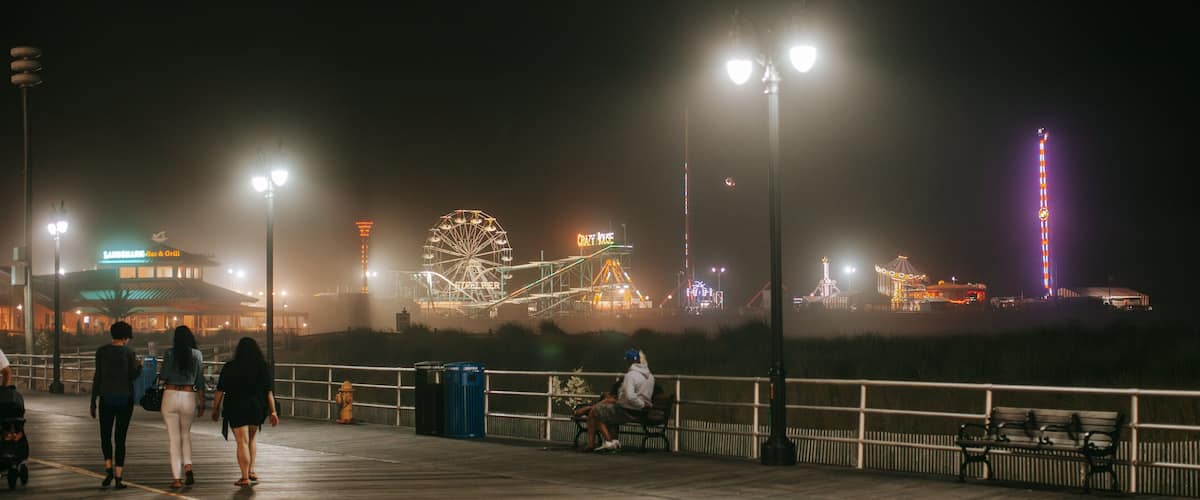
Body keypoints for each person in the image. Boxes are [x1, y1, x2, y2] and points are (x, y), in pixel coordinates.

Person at [211, 337, 278, 487]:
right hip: (256, 407)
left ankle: (244, 477)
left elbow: (220, 390)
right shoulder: (262, 366)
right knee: (252, 439)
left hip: (236, 406)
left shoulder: (230, 366)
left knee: (242, 442)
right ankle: (251, 470)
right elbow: (268, 392)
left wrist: (215, 409)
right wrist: (273, 412)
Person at [90, 321, 142, 489]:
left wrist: (93, 401)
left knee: (105, 436)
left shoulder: (101, 351)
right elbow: (132, 376)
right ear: (126, 337)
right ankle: (119, 477)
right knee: (120, 438)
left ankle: (108, 469)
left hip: (106, 397)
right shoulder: (129, 352)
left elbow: (97, 377)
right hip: (124, 399)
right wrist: (139, 367)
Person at [160, 326, 206, 489]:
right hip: (188, 396)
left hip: (170, 395)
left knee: (174, 438)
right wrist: (202, 402)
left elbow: (163, 376)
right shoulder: (197, 354)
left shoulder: (169, 353)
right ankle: (188, 467)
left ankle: (177, 479)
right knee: (185, 434)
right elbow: (200, 380)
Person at [586, 348, 655, 451]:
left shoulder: (630, 375)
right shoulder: (651, 377)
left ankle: (609, 442)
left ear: (629, 361)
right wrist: (644, 404)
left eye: (626, 360)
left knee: (596, 410)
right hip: (642, 412)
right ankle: (611, 441)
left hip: (628, 411)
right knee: (604, 411)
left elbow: (630, 396)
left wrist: (640, 404)